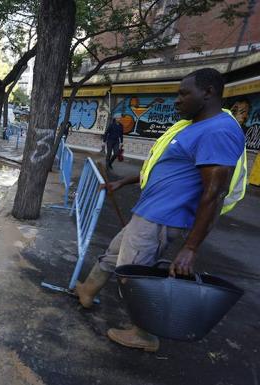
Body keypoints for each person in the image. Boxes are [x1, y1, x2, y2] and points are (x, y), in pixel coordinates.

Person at [75, 68, 247, 352]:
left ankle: (144, 334)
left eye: (183, 93)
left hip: (162, 218)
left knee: (133, 274)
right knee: (115, 255)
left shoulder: (219, 130)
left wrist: (191, 247)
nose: (177, 100)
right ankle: (87, 290)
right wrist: (125, 181)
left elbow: (214, 192)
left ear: (208, 92)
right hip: (149, 213)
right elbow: (167, 168)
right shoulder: (193, 127)